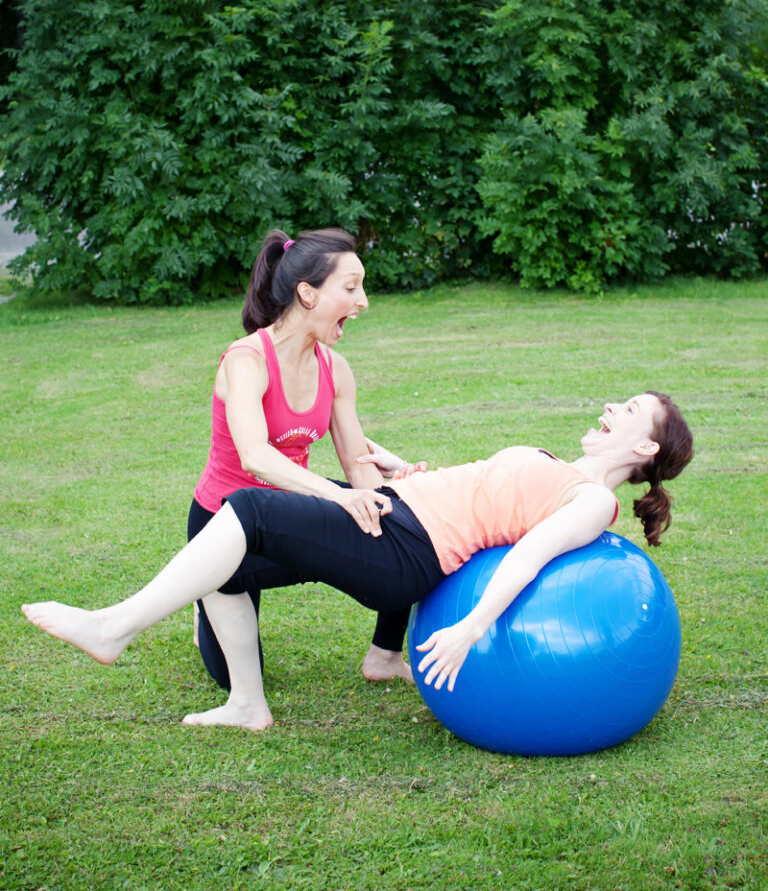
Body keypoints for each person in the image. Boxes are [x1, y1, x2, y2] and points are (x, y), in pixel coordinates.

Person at [22, 391, 693, 732]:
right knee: (226, 565)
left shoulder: (590, 504)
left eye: (629, 410)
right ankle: (248, 703)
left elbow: (524, 558)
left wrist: (469, 629)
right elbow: (483, 492)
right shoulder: (564, 467)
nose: (611, 406)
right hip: (394, 512)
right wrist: (400, 467)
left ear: (643, 451)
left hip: (404, 549)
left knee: (251, 510)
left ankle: (113, 628)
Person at [187, 226, 422, 693]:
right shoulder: (246, 360)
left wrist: (395, 498)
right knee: (225, 676)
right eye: (351, 288)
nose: (364, 301)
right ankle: (204, 593)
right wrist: (339, 496)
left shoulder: (336, 369)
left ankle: (384, 656)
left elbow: (357, 464)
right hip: (224, 527)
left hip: (292, 513)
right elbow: (254, 456)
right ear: (307, 293)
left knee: (398, 520)